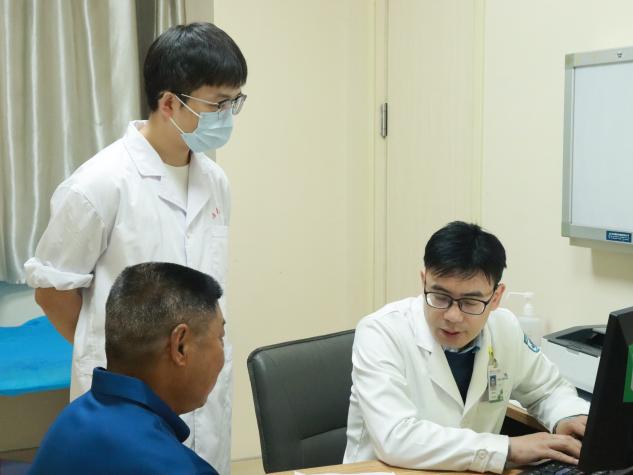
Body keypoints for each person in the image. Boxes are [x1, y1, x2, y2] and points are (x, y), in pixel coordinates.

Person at [23, 22, 246, 473]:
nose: (227, 115)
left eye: (235, 102)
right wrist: (117, 354)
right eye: (218, 103)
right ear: (169, 103)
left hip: (200, 389)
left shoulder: (215, 182)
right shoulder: (99, 184)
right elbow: (52, 291)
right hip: (125, 405)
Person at [343, 221, 589, 473]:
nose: (453, 316)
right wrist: (507, 449)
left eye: (470, 302)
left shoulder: (505, 329)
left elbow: (547, 390)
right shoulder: (381, 332)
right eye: (440, 297)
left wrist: (567, 416)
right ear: (424, 281)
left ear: (496, 297)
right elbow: (395, 438)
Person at [29, 262, 226, 475]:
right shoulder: (180, 468)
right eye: (220, 338)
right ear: (180, 346)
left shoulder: (70, 420)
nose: (223, 353)